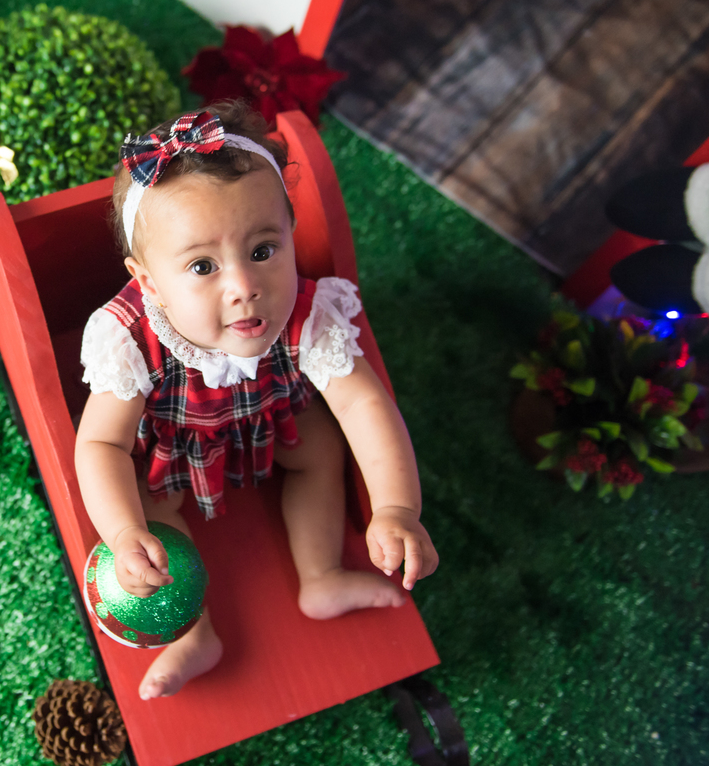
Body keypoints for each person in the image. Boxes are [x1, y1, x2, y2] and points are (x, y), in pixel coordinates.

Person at [74, 103, 438, 701]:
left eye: (264, 250)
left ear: (290, 233)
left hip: (269, 429)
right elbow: (102, 443)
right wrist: (121, 531)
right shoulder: (131, 337)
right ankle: (193, 634)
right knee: (146, 504)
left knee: (322, 446)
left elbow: (365, 407)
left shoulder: (308, 316)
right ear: (149, 282)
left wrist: (397, 507)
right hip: (175, 452)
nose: (244, 287)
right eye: (202, 266)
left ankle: (319, 576)